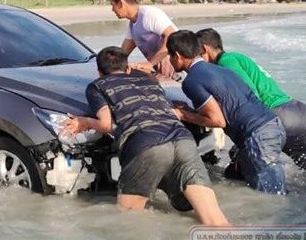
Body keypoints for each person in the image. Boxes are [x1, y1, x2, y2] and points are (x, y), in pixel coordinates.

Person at [60, 46, 230, 226]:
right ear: (127, 69)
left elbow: (106, 124)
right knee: (216, 221)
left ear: (99, 72)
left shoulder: (98, 85)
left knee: (130, 222)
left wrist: (83, 122)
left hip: (147, 144)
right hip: (183, 140)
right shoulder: (150, 82)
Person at [196, 28, 306, 172]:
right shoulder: (238, 57)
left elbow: (248, 93)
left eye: (197, 55)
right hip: (300, 113)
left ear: (205, 49)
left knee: (240, 172)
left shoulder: (225, 62)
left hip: (276, 115)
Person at [166, 30, 287, 194]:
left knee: (273, 197)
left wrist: (183, 115)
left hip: (257, 136)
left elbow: (218, 121)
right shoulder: (221, 69)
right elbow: (229, 103)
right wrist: (190, 110)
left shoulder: (192, 80)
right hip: (273, 126)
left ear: (177, 56)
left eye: (169, 56)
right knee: (237, 178)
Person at [107, 0, 178, 79]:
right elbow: (123, 52)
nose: (112, 9)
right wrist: (108, 67)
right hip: (163, 73)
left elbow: (172, 36)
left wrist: (150, 63)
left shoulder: (148, 14)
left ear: (120, 3)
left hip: (179, 71)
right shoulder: (133, 24)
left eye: (113, 5)